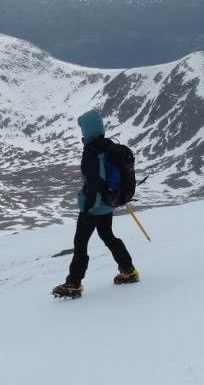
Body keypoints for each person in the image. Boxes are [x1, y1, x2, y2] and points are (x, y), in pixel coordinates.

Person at [52, 110, 139, 299]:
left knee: (80, 243)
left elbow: (96, 182)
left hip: (96, 206)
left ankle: (73, 284)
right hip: (108, 203)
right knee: (108, 236)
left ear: (87, 129)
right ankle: (128, 270)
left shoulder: (91, 151)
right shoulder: (108, 144)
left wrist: (88, 208)